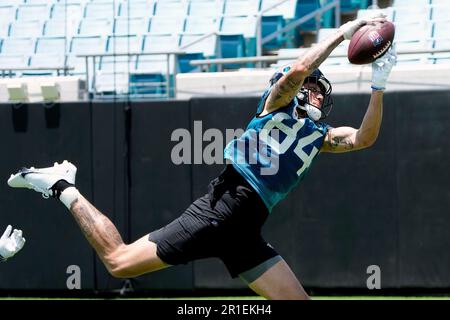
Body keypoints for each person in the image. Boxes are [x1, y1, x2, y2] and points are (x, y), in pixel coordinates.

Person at [6, 15, 396, 300]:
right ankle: (61, 186)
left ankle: (61, 186)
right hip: (220, 209)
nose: (319, 95)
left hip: (245, 229)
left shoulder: (317, 135)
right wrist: (342, 34)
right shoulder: (274, 104)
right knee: (118, 262)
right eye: (313, 89)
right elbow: (298, 70)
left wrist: (379, 84)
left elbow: (363, 138)